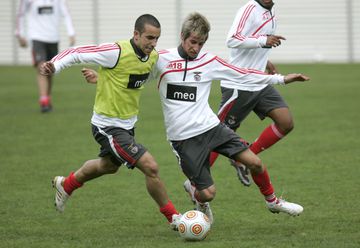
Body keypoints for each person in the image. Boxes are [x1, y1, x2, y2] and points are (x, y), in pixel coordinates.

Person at [83, 12, 308, 224]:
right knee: (208, 194)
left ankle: (273, 202)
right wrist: (102, 79)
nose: (196, 48)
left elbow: (243, 73)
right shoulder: (160, 59)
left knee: (255, 163)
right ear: (182, 37)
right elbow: (132, 74)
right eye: (192, 42)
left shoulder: (209, 61)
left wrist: (282, 79)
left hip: (212, 128)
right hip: (183, 139)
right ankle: (197, 195)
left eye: (201, 43)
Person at [39, 14, 181, 230]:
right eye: (149, 38)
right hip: (107, 126)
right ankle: (175, 219)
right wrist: (55, 65)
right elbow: (77, 53)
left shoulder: (151, 57)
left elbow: (137, 78)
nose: (152, 44)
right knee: (150, 167)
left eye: (156, 39)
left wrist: (102, 78)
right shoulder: (115, 52)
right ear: (136, 34)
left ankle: (65, 184)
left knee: (108, 166)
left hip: (127, 125)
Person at [209, 0, 297, 186]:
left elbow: (254, 43)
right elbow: (232, 39)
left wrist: (265, 61)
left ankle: (243, 158)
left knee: (285, 122)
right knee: (219, 133)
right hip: (239, 83)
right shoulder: (249, 9)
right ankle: (196, 181)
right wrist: (263, 41)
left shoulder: (270, 11)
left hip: (259, 81)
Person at [15, 0, 76, 113]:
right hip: (37, 37)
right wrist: (20, 35)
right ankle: (44, 101)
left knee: (50, 70)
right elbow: (20, 14)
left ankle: (47, 97)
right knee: (41, 67)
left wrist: (71, 33)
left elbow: (66, 13)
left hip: (53, 38)